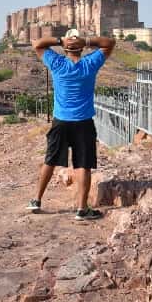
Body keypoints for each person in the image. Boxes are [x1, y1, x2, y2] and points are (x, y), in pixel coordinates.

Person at [26, 29, 115, 220]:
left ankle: (36, 200)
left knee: (50, 160)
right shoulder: (90, 64)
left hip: (61, 121)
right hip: (83, 122)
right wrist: (86, 41)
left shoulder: (57, 63)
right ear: (81, 48)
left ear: (65, 49)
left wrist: (60, 40)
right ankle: (82, 209)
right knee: (83, 165)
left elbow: (37, 44)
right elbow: (109, 43)